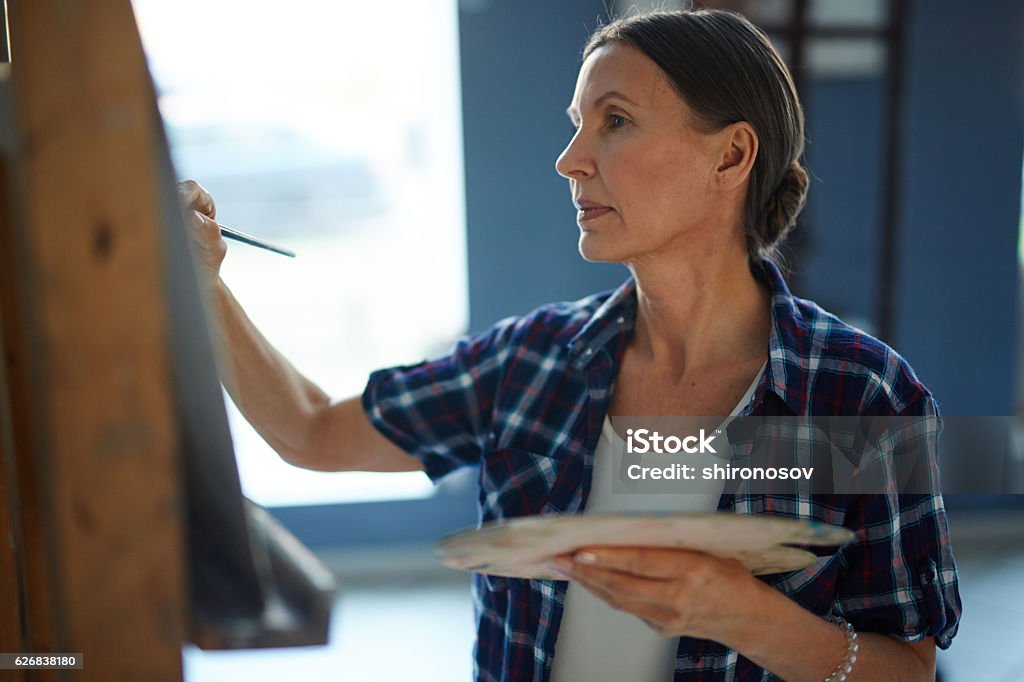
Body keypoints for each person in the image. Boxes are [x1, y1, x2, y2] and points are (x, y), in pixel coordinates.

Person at [179, 8, 960, 682]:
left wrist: (742, 615)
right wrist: (203, 281)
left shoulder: (860, 397)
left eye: (614, 121)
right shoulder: (528, 363)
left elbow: (910, 668)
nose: (569, 160)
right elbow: (313, 431)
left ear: (730, 155)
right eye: (576, 125)